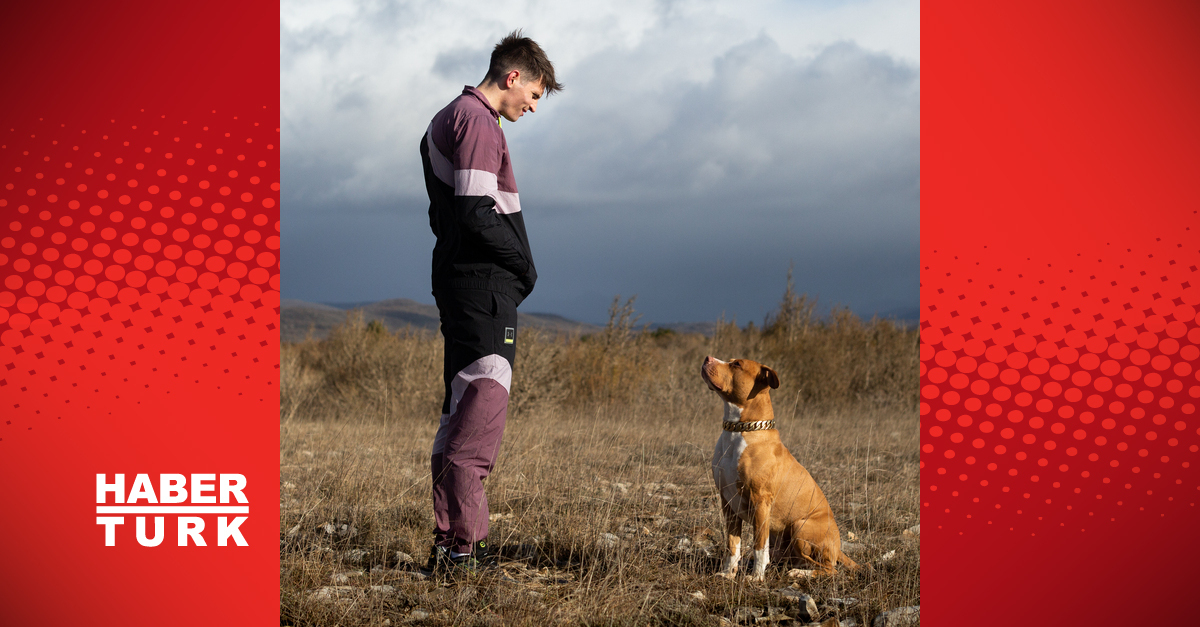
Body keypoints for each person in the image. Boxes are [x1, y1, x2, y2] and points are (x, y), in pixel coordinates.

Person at [418, 29, 562, 573]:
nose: (531, 107)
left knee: (460, 410)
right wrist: (524, 266)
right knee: (480, 410)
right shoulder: (477, 120)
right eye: (534, 95)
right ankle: (463, 548)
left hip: (463, 283)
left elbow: (447, 217)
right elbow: (477, 210)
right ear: (513, 76)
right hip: (482, 289)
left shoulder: (448, 118)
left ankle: (449, 541)